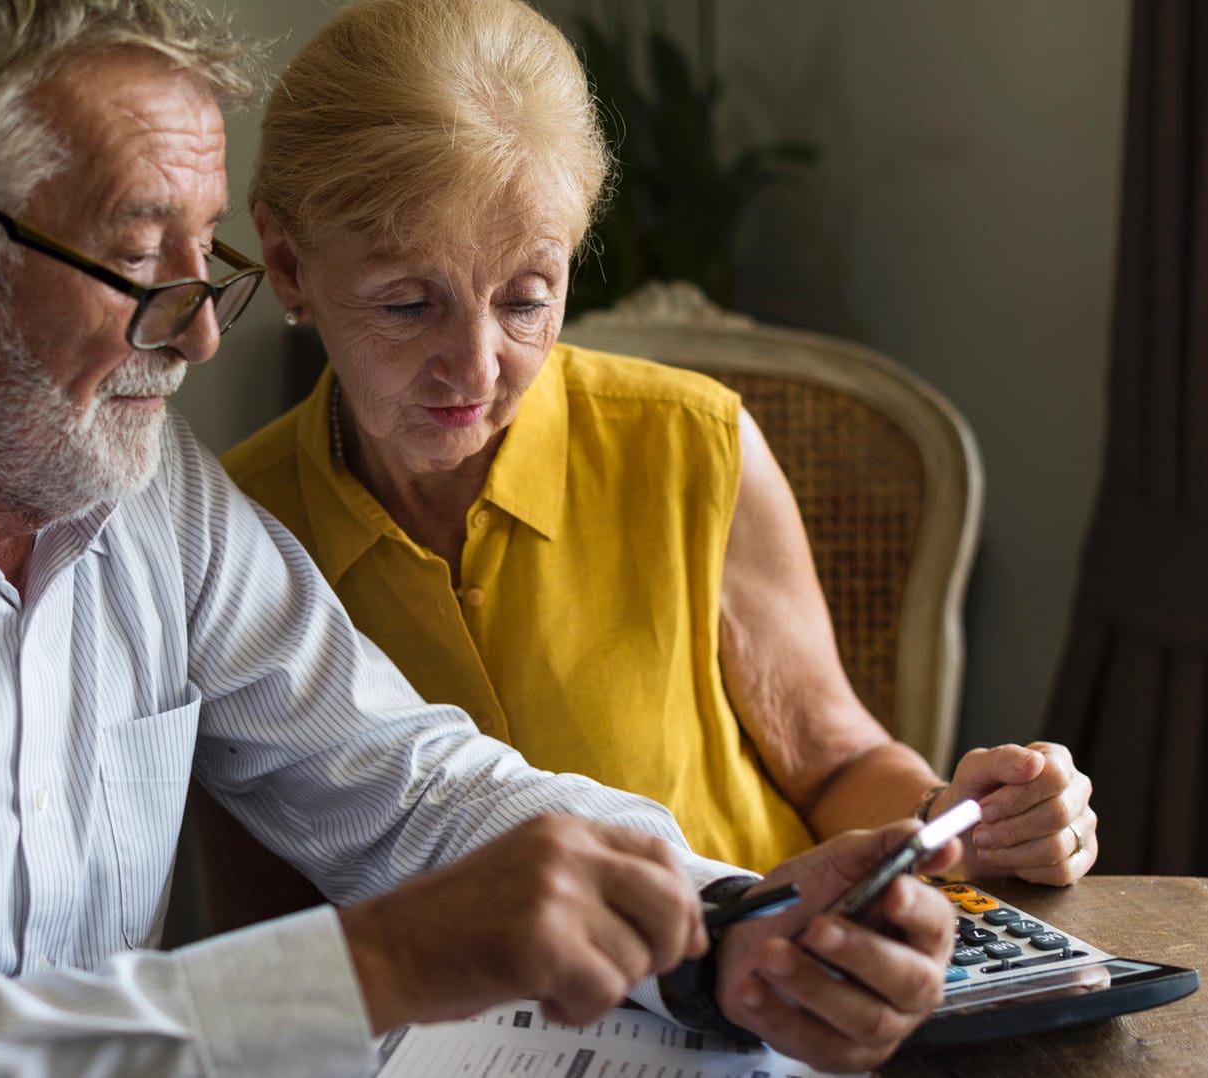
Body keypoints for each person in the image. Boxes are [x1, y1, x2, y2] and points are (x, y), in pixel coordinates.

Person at [0, 1, 959, 1074]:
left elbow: (413, 786)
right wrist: (369, 965)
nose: (195, 335)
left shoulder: (145, 496)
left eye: (209, 265)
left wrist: (734, 921)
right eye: (141, 264)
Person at [211, 0, 1097, 917]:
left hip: (761, 1011)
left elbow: (836, 761)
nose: (476, 367)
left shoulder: (691, 446)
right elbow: (266, 915)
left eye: (525, 300)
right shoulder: (229, 538)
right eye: (405, 304)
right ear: (285, 263)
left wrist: (954, 815)